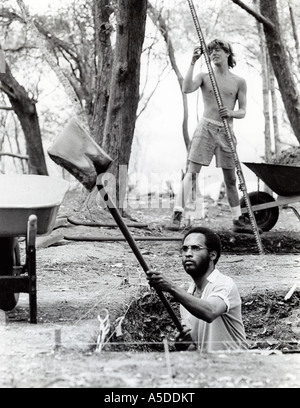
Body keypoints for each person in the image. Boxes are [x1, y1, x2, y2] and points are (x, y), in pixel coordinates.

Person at [170, 39, 254, 233]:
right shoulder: (204, 77)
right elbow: (186, 88)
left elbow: (242, 111)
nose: (214, 53)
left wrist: (231, 113)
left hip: (226, 132)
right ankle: (177, 215)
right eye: (211, 51)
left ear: (227, 53)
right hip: (206, 128)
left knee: (231, 179)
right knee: (192, 173)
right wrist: (192, 61)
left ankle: (237, 219)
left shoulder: (239, 81)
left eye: (218, 50)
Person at [146, 227, 248, 352]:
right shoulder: (188, 297)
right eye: (184, 249)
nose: (188, 253)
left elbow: (210, 312)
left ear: (212, 255)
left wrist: (171, 287)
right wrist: (184, 345)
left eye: (196, 248)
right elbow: (196, 348)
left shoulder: (224, 284)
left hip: (236, 366)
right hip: (207, 367)